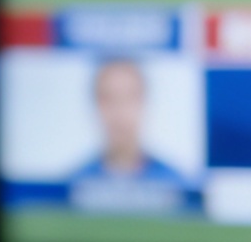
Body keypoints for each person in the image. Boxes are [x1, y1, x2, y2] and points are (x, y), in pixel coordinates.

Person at [68, 58, 187, 215]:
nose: (119, 112)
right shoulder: (74, 185)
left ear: (143, 103)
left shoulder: (175, 185)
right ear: (96, 105)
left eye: (129, 98)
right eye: (109, 99)